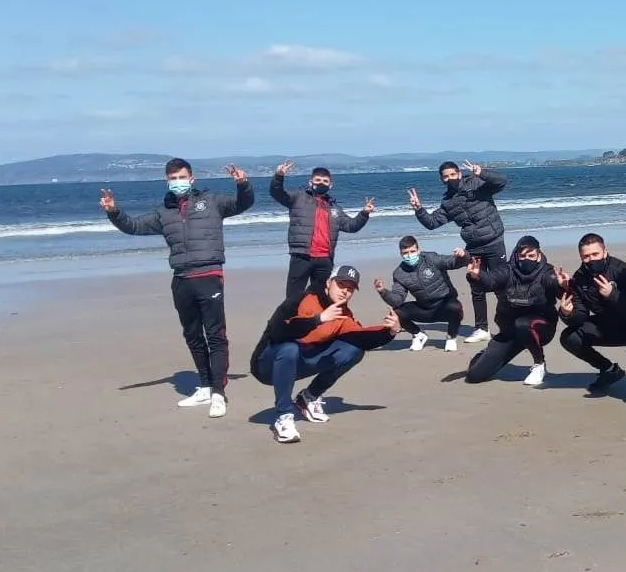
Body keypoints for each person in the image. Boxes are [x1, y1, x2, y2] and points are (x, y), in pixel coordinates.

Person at [100, 158, 254, 419]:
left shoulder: (212, 201)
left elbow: (243, 204)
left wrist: (243, 184)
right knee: (192, 335)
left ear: (191, 179)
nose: (178, 182)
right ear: (167, 181)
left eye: (182, 177)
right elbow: (134, 226)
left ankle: (218, 392)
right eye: (173, 178)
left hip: (209, 275)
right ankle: (204, 385)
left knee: (215, 335)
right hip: (181, 278)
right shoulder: (164, 212)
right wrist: (114, 212)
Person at [248, 265, 402, 443]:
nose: (345, 291)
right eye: (341, 284)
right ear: (329, 283)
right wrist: (318, 319)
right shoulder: (302, 299)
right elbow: (278, 331)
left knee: (354, 351)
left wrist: (390, 331)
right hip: (267, 364)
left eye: (350, 289)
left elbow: (363, 338)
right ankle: (284, 417)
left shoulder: (343, 314)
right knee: (289, 348)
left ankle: (308, 397)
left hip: (300, 362)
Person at [409, 159, 509, 344]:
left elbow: (501, 182)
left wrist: (482, 173)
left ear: (459, 174)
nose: (449, 179)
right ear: (442, 180)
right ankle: (481, 329)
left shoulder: (476, 183)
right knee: (477, 286)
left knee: (500, 286)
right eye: (445, 177)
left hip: (494, 241)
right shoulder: (448, 202)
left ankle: (509, 324)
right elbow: (432, 223)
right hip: (474, 246)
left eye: (452, 175)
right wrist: (419, 209)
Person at [557, 233, 626, 400]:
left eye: (595, 254)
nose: (591, 259)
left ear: (605, 252)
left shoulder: (622, 270)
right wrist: (567, 313)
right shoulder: (580, 278)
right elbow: (580, 317)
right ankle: (608, 369)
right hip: (610, 323)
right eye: (586, 256)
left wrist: (613, 295)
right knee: (569, 337)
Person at [463, 236, 562, 386]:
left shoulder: (547, 272)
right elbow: (491, 280)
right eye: (522, 256)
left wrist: (562, 285)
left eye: (531, 256)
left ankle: (539, 365)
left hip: (540, 328)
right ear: (516, 255)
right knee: (474, 375)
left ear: (539, 255)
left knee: (522, 323)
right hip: (511, 332)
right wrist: (477, 276)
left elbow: (556, 286)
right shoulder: (507, 270)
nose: (526, 259)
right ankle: (485, 354)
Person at [270, 161, 374, 300]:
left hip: (325, 259)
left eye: (325, 181)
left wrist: (364, 213)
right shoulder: (298, 198)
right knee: (293, 298)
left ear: (330, 185)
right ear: (310, 181)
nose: (321, 183)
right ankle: (291, 321)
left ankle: (320, 321)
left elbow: (351, 226)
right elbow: (276, 193)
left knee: (323, 297)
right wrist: (279, 176)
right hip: (302, 256)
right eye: (318, 180)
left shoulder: (334, 208)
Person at [374, 236, 470, 352]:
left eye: (412, 251)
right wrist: (383, 291)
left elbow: (454, 262)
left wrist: (463, 255)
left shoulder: (431, 258)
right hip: (425, 308)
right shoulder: (399, 273)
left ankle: (451, 337)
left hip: (444, 305)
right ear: (401, 254)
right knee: (397, 312)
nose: (409, 255)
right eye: (405, 253)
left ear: (418, 250)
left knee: (456, 308)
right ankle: (419, 335)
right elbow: (397, 300)